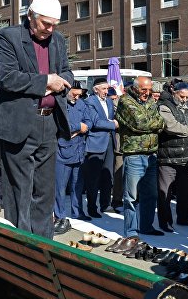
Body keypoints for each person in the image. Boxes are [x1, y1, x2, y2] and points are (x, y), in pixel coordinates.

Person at [0, 0, 72, 239]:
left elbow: (67, 73)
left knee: (45, 190)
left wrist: (61, 81)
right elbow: (8, 78)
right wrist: (48, 82)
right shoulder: (10, 37)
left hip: (49, 122)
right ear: (30, 16)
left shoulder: (57, 40)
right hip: (19, 125)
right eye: (45, 23)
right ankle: (21, 246)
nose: (49, 29)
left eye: (54, 25)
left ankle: (43, 244)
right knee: (19, 190)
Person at [116, 76, 165, 238]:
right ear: (136, 88)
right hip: (134, 154)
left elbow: (162, 123)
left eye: (150, 89)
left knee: (151, 194)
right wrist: (153, 122)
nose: (148, 92)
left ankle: (146, 226)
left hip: (151, 153)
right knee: (131, 197)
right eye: (144, 89)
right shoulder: (125, 101)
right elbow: (139, 123)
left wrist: (152, 122)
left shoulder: (151, 101)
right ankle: (131, 232)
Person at [156, 82, 188, 231]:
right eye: (182, 96)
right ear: (174, 92)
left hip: (187, 156)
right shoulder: (164, 106)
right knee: (165, 193)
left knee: (186, 192)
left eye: (187, 97)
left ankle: (184, 217)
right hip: (167, 157)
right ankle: (165, 221)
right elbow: (170, 126)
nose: (184, 99)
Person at [54, 81, 92, 235]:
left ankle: (77, 211)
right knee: (60, 187)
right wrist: (79, 127)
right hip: (63, 152)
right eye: (75, 93)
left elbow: (89, 122)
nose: (77, 96)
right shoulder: (60, 104)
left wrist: (81, 128)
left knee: (78, 184)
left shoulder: (82, 104)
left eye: (80, 94)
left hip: (79, 150)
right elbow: (60, 125)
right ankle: (60, 215)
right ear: (68, 90)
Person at [83, 78, 118, 218]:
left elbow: (111, 118)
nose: (106, 91)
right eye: (103, 89)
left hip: (109, 141)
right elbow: (95, 122)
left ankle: (106, 204)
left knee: (107, 175)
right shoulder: (90, 102)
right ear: (95, 89)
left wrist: (112, 123)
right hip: (96, 143)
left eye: (107, 88)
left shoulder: (109, 101)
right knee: (93, 178)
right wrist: (113, 124)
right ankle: (92, 207)